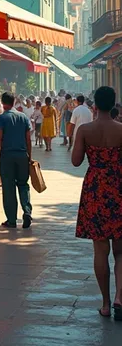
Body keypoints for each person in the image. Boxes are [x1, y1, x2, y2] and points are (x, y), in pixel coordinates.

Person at [72, 86, 122, 320]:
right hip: (118, 187)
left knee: (100, 249)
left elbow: (75, 161)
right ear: (114, 104)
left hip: (95, 189)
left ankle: (104, 302)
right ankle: (119, 297)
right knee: (120, 252)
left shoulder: (85, 130)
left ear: (95, 105)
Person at [0, 91, 32, 229]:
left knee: (8, 188)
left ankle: (11, 219)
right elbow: (28, 139)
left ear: (2, 103)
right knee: (23, 184)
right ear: (14, 102)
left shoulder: (1, 118)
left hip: (7, 156)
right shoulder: (23, 117)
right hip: (22, 155)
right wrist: (29, 157)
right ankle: (27, 211)